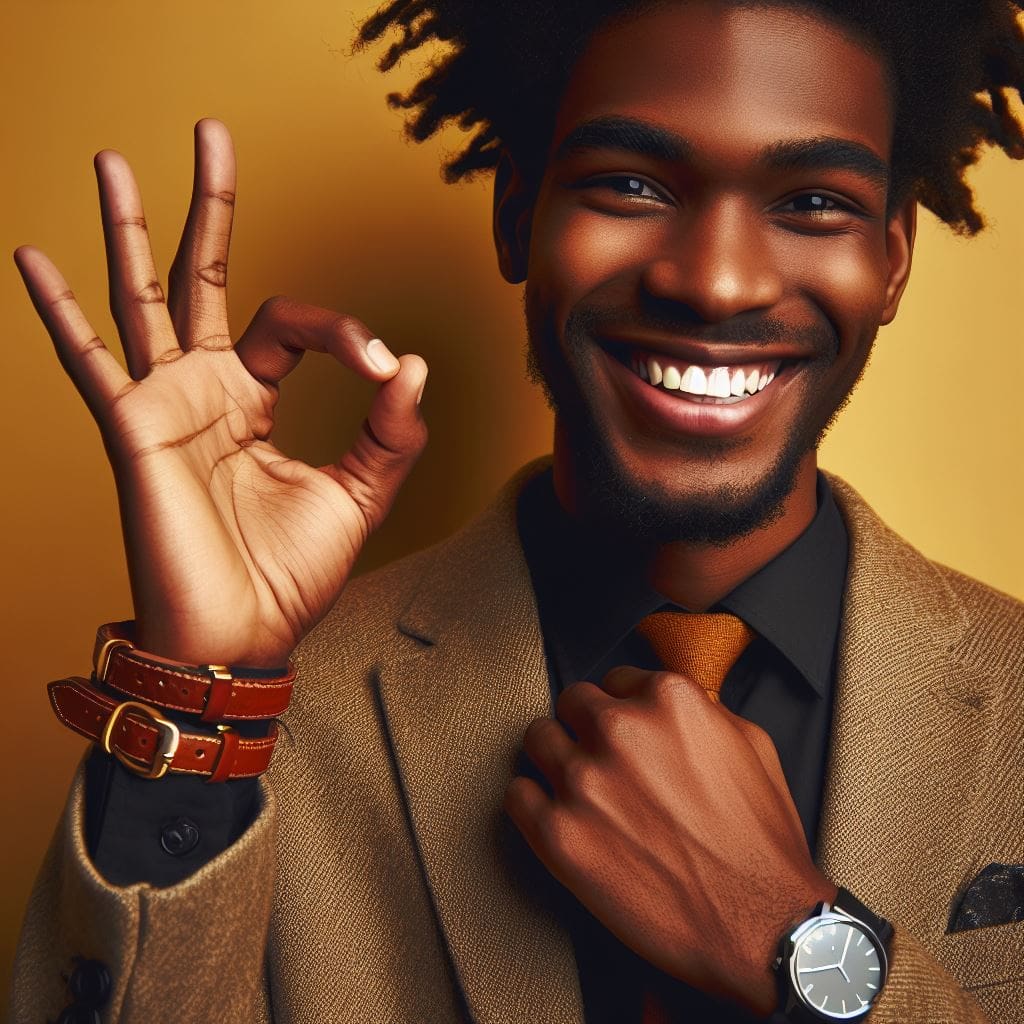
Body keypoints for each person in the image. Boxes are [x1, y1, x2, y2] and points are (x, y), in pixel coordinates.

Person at [9, 1, 1024, 1021]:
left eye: (810, 201)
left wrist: (790, 939)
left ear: (891, 258)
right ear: (516, 214)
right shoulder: (281, 715)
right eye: (630, 184)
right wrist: (197, 690)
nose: (715, 282)